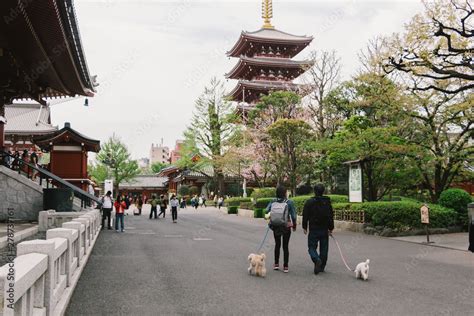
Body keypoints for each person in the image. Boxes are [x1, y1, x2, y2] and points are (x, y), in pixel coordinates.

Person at [302, 183, 334, 275]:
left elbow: (305, 215)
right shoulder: (327, 202)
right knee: (324, 248)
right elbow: (330, 215)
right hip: (324, 229)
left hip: (313, 229)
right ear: (323, 191)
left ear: (314, 191)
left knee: (311, 247)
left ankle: (316, 259)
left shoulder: (309, 202)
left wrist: (305, 226)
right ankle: (322, 266)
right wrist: (331, 227)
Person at [265, 185, 297, 273]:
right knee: (285, 246)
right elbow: (293, 216)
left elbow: (266, 210)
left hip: (276, 225)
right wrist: (294, 225)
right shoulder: (289, 202)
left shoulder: (273, 201)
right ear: (285, 193)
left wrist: (271, 215)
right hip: (286, 226)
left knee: (277, 244)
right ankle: (285, 266)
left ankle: (276, 264)